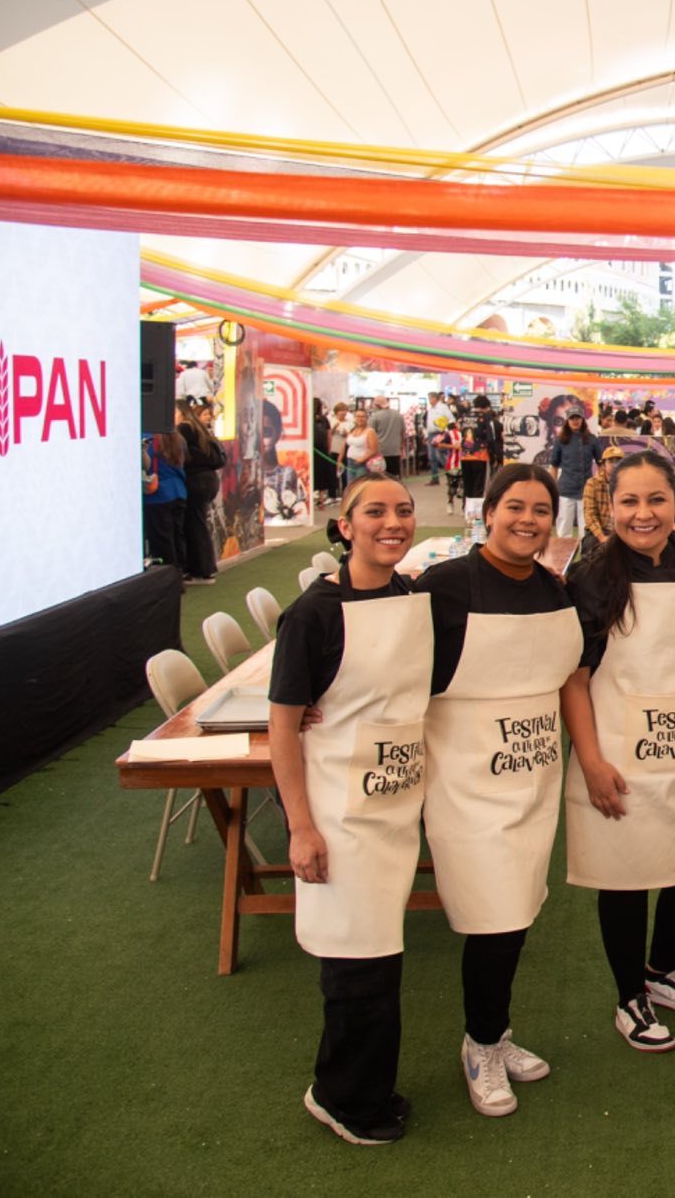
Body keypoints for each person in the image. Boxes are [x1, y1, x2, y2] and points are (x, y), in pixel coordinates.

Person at [413, 464, 583, 1117]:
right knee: (493, 917)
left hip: (534, 778)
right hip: (464, 783)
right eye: (515, 507)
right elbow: (393, 662)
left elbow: (569, 678)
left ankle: (495, 1031)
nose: (528, 520)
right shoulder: (444, 586)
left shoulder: (555, 590)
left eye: (540, 510)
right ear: (490, 512)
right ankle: (480, 1045)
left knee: (515, 913)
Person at [267, 477, 428, 1145]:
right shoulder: (311, 615)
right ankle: (343, 1099)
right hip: (338, 814)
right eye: (375, 513)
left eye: (402, 511)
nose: (391, 523)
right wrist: (300, 827)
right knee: (355, 965)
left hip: (395, 807)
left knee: (381, 959)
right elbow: (282, 728)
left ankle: (361, 1086)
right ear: (345, 524)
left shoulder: (412, 597)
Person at [562, 453, 675, 1051]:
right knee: (624, 875)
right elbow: (575, 677)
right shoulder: (590, 574)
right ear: (612, 507)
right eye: (629, 502)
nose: (643, 514)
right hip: (618, 749)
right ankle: (629, 991)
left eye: (656, 500)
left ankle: (663, 969)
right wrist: (592, 762)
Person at [177, 402, 225, 585]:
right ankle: (205, 568)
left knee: (194, 526)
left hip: (195, 482)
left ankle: (201, 570)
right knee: (199, 524)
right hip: (206, 481)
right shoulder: (198, 429)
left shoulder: (184, 428)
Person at [142, 431, 188, 572]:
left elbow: (145, 465)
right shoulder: (178, 438)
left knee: (162, 541)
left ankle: (169, 577)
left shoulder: (147, 439)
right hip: (178, 492)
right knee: (177, 536)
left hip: (158, 495)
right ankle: (179, 572)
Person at [549, 411, 598, 539]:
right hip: (565, 489)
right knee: (563, 528)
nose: (575, 421)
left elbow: (601, 463)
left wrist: (598, 482)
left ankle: (586, 556)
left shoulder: (592, 439)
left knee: (586, 528)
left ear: (582, 419)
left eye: (578, 418)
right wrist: (552, 487)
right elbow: (554, 465)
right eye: (572, 418)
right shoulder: (560, 440)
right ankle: (562, 558)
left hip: (586, 489)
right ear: (567, 420)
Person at [458, 396, 503, 512]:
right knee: (480, 486)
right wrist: (495, 456)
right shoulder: (486, 417)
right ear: (486, 407)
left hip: (465, 455)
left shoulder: (464, 416)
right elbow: (490, 438)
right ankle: (476, 513)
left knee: (468, 485)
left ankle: (466, 509)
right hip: (480, 455)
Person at [367, 397, 404, 479]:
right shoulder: (398, 415)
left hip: (380, 451)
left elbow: (369, 434)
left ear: (376, 405)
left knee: (380, 477)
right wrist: (402, 447)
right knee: (394, 476)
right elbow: (403, 432)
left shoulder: (374, 417)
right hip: (395, 451)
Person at [343, 412, 380, 492]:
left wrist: (362, 459)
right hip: (350, 462)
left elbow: (374, 450)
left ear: (367, 418)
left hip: (362, 464)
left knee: (361, 488)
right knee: (351, 487)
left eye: (363, 416)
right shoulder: (353, 430)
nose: (360, 418)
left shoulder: (370, 432)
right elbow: (347, 444)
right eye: (358, 416)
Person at [425, 393, 455, 484]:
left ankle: (452, 474)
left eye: (430, 398)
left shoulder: (442, 407)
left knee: (439, 455)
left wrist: (446, 431)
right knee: (432, 457)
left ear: (435, 398)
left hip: (440, 433)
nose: (429, 400)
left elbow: (451, 419)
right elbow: (429, 423)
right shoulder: (430, 409)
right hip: (431, 434)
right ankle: (435, 478)